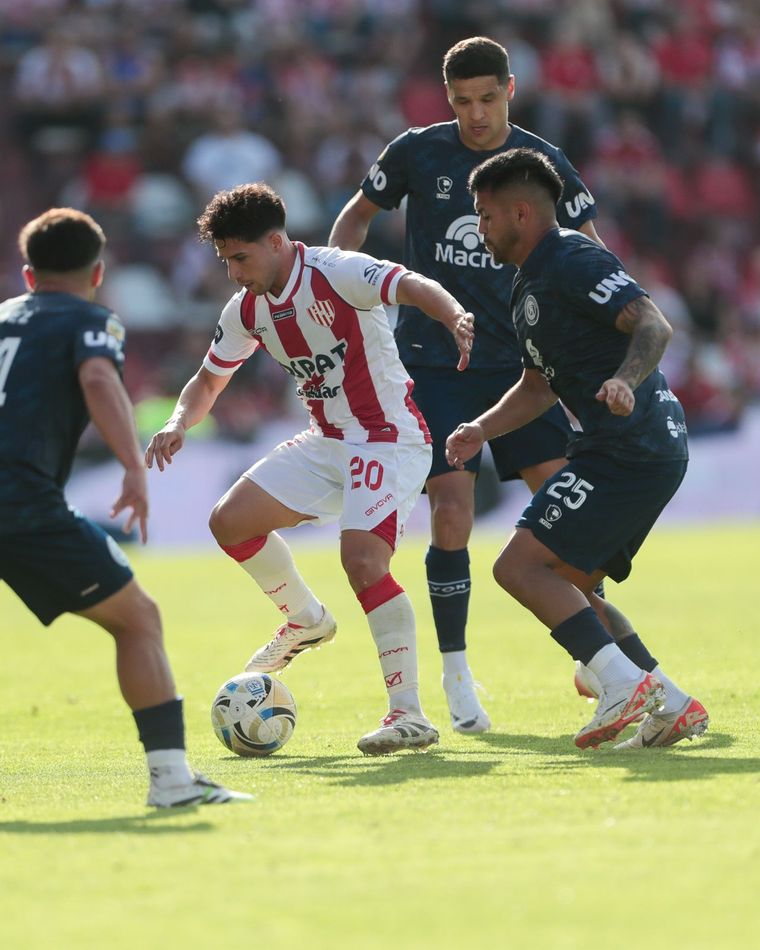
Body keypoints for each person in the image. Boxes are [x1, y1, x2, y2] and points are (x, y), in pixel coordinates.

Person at [329, 36, 604, 735]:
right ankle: (456, 674)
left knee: (574, 516)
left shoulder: (538, 163)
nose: (475, 115)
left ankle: (596, 655)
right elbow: (359, 214)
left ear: (510, 88)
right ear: (445, 98)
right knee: (452, 510)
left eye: (487, 99)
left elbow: (590, 246)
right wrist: (344, 284)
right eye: (461, 102)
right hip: (434, 360)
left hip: (525, 366)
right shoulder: (418, 150)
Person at [145, 183, 474, 756]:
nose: (232, 272)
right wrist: (178, 422)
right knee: (230, 522)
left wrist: (455, 316)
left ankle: (409, 714)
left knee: (363, 560)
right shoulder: (246, 308)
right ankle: (306, 619)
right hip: (327, 441)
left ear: (276, 242)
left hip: (386, 437)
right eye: (225, 260)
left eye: (240, 258)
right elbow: (208, 380)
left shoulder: (336, 271)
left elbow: (412, 286)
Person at [446, 148, 708, 750]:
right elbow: (536, 387)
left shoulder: (571, 258)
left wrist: (625, 380)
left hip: (628, 444)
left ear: (520, 213)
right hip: (630, 447)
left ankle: (620, 684)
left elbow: (653, 325)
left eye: (485, 216)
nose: (478, 229)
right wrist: (482, 429)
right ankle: (668, 701)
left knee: (517, 567)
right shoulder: (526, 285)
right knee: (573, 583)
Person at [0, 208, 251, 807]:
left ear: (29, 276)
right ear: (98, 274)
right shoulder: (93, 321)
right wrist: (134, 469)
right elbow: (96, 378)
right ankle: (171, 782)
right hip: (20, 503)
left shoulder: (3, 318)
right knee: (137, 620)